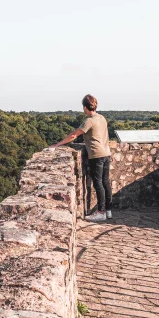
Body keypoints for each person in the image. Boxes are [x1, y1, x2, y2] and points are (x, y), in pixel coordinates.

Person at [51, 94, 112, 222]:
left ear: (85, 107)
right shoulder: (101, 118)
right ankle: (108, 210)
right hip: (106, 153)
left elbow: (74, 135)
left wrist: (58, 144)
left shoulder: (89, 120)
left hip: (96, 154)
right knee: (106, 182)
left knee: (98, 183)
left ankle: (101, 212)